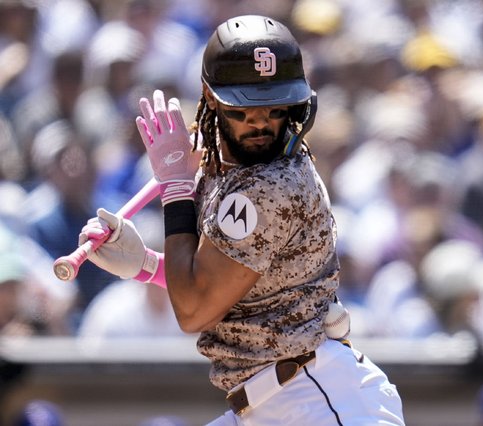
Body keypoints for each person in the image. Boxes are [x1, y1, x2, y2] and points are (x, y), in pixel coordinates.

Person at [78, 14, 405, 425]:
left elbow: (195, 310)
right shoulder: (225, 164)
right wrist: (146, 265)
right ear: (211, 99)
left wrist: (177, 189)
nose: (260, 122)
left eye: (274, 106)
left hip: (318, 400)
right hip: (275, 400)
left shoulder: (270, 186)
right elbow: (224, 285)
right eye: (243, 107)